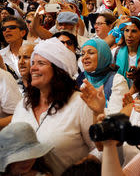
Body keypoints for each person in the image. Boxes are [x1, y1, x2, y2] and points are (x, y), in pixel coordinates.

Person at [11, 38, 94, 175]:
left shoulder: (80, 103)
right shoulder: (23, 104)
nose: (33, 68)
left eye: (41, 63)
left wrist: (80, 170)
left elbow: (99, 148)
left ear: (58, 70)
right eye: (33, 63)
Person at [77, 38, 128, 115]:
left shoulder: (117, 81)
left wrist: (98, 110)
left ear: (103, 56)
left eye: (91, 53)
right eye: (83, 54)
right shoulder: (82, 79)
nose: (85, 57)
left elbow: (116, 116)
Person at [112, 16, 140, 87]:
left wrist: (138, 77)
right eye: (126, 30)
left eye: (134, 31)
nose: (129, 35)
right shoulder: (116, 52)